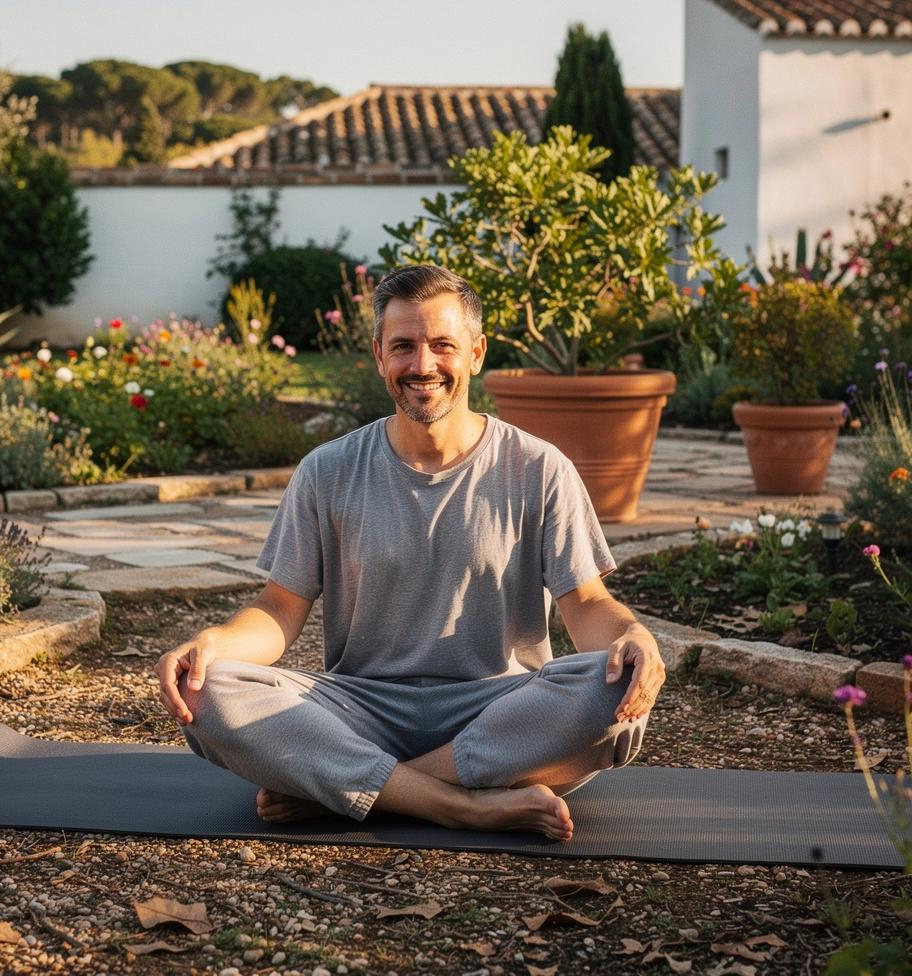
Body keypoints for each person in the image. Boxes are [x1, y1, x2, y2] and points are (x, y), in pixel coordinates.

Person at [155, 264, 665, 842]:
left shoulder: (539, 468)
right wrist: (214, 643)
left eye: (442, 345)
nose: (422, 365)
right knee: (208, 688)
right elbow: (279, 608)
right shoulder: (327, 470)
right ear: (379, 355)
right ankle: (462, 804)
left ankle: (353, 790)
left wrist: (634, 637)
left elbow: (587, 603)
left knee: (611, 687)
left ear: (476, 353)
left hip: (499, 709)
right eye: (403, 346)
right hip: (359, 710)